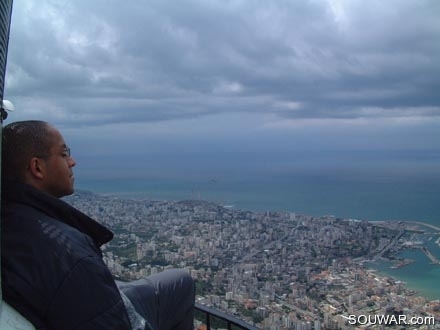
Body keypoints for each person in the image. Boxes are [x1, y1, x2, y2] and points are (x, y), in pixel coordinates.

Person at [1, 120, 195, 330]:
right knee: (182, 282)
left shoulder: (10, 216)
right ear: (37, 167)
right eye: (64, 153)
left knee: (179, 282)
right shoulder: (70, 254)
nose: (72, 162)